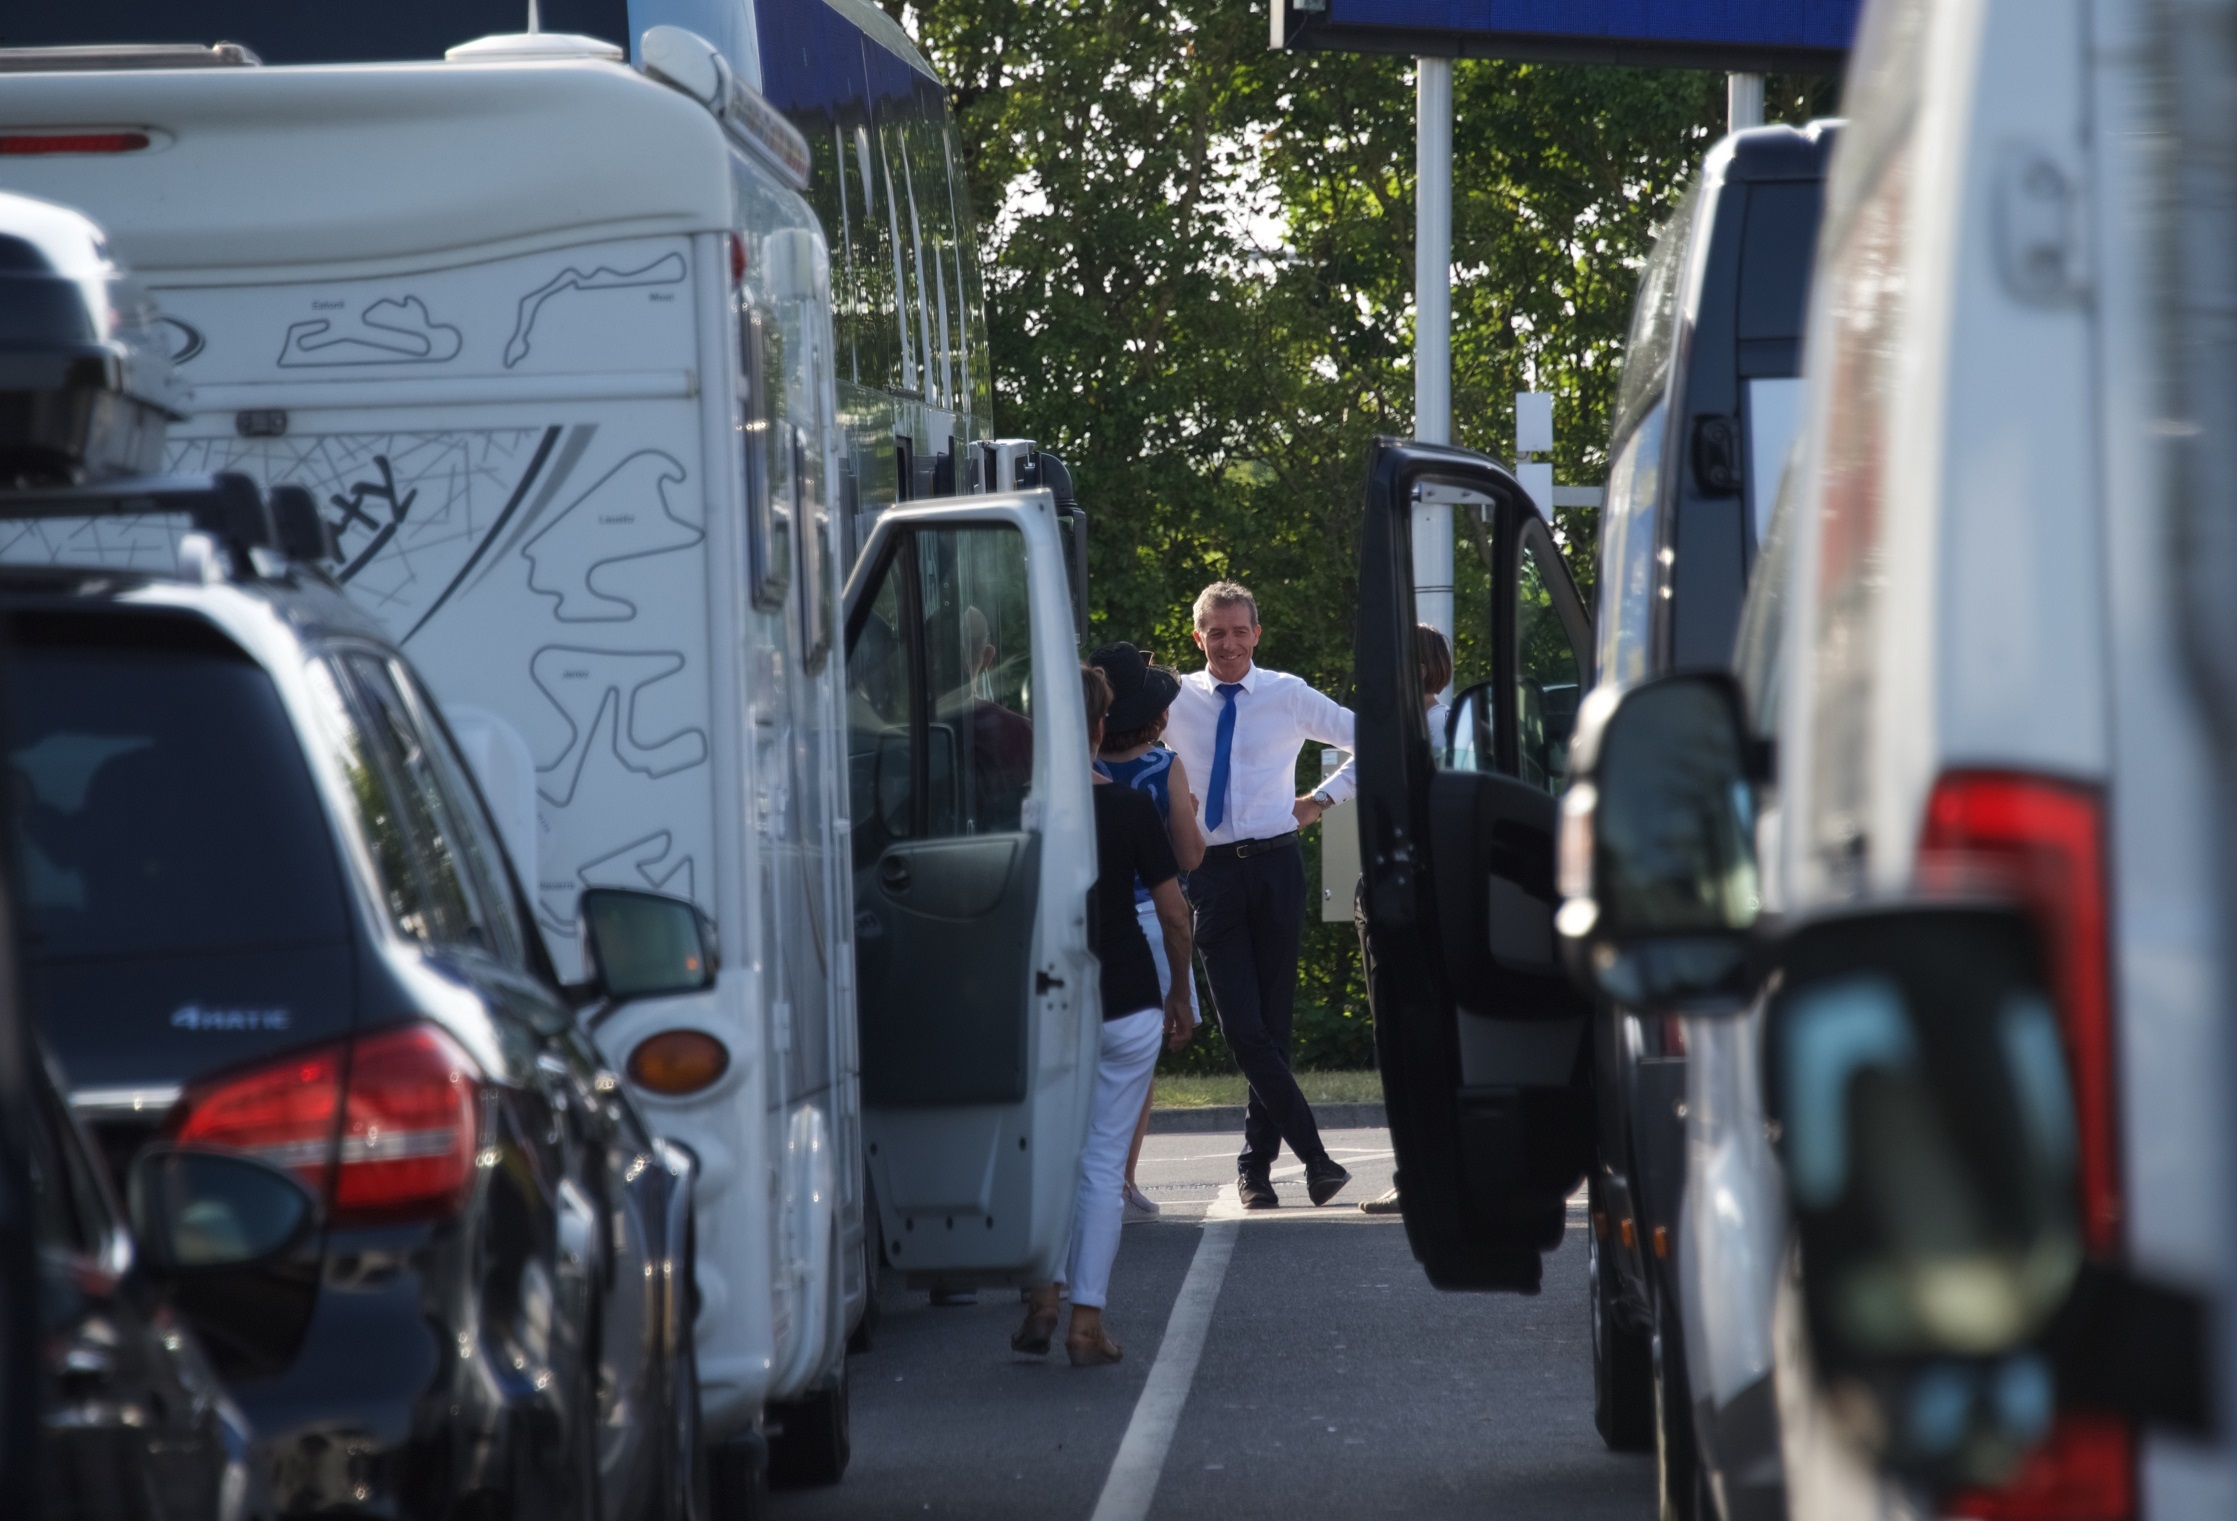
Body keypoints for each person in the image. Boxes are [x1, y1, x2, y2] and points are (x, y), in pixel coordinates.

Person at [1011, 666, 1195, 1365]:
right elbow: (1173, 913)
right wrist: (1177, 990)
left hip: (1043, 1001)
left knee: (1050, 1157)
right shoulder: (1126, 808)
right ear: (1096, 729)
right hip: (1122, 997)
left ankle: (1041, 1297)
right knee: (1101, 1164)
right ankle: (1086, 1321)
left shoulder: (1021, 813)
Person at [1163, 581, 1355, 1209]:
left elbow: (1375, 738)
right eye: (1215, 632)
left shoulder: (1286, 693)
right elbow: (1124, 752)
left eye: (1239, 630)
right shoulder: (1177, 700)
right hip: (1211, 873)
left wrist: (1322, 800)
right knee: (1242, 1026)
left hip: (1277, 865)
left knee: (1273, 1025)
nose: (1228, 643)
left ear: (1257, 633)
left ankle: (1256, 1169)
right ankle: (1316, 1157)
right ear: (1198, 637)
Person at [1086, 643, 1208, 1219]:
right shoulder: (1163, 768)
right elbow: (1188, 857)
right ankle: (1125, 1179)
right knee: (1137, 1066)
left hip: (1089, 917)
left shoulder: (1085, 768)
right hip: (1149, 923)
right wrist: (1193, 812)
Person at [1361, 622, 1453, 1217]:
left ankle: (1421, 1172)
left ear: (1418, 668)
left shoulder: (1432, 732)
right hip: (1408, 891)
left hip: (1415, 895)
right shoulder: (1430, 728)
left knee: (1409, 1037)